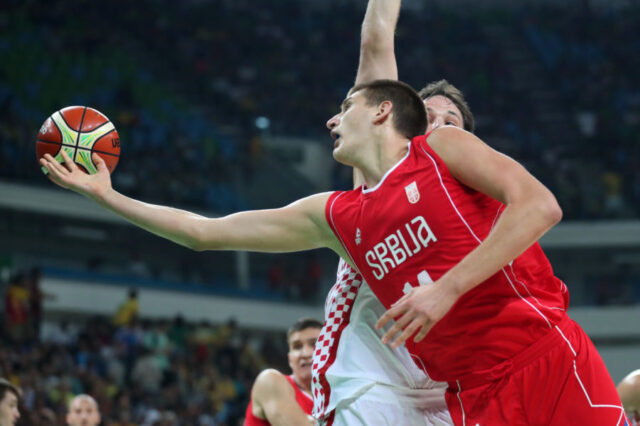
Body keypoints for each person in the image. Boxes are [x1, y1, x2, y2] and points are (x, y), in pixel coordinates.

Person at [40, 75, 626, 424]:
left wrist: (444, 289)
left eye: (343, 108)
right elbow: (204, 232)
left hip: (540, 355)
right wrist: (106, 196)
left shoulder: (442, 148)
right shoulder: (337, 216)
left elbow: (541, 206)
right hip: (473, 394)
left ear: (382, 110)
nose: (330, 120)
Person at [312, 1, 468, 424]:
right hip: (371, 383)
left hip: (447, 392)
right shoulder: (381, 169)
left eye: (450, 120)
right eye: (427, 116)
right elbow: (376, 40)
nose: (437, 125)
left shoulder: (478, 206)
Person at [244, 318, 319, 426]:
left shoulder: (337, 399)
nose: (305, 353)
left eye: (314, 344)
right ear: (290, 359)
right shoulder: (269, 381)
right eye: (297, 347)